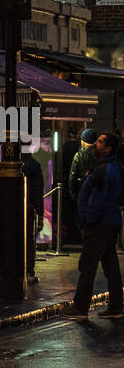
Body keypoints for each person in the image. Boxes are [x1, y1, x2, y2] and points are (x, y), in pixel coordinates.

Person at [72, 131, 124, 322]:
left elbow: (97, 200)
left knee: (88, 266)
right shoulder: (110, 167)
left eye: (101, 142)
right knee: (110, 267)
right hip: (109, 222)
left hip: (99, 224)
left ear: (108, 148)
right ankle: (116, 307)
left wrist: (88, 223)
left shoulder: (104, 169)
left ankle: (80, 307)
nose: (96, 144)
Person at [22, 147, 45, 283]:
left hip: (12, 208)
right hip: (28, 207)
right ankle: (28, 270)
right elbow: (37, 191)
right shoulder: (34, 165)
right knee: (28, 240)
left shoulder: (6, 165)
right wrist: (40, 215)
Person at [69, 127, 99, 204]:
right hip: (97, 191)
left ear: (83, 140)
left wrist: (72, 193)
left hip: (82, 190)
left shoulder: (79, 155)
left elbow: (73, 176)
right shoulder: (100, 154)